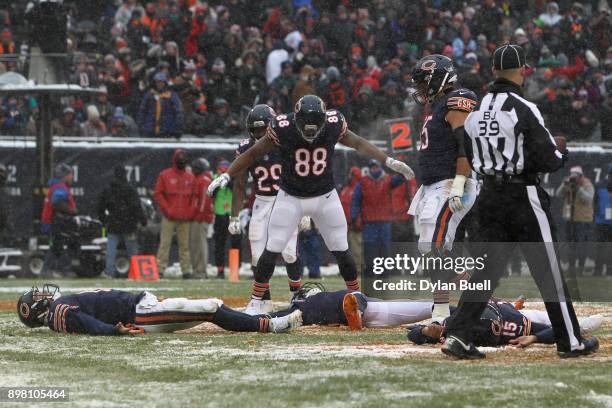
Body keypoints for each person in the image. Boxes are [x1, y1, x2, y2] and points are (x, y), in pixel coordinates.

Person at [443, 44, 598, 359]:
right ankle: (570, 341)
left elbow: (470, 152)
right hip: (522, 195)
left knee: (485, 272)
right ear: (522, 69)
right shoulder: (523, 107)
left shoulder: (476, 108)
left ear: (493, 71)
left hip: (489, 197)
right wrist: (561, 150)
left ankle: (458, 336)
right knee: (548, 270)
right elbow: (549, 158)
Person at [208, 95, 414, 306]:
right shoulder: (283, 126)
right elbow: (252, 154)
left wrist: (388, 160)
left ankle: (356, 298)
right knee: (272, 249)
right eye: (305, 127)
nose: (310, 132)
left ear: (324, 120)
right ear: (296, 119)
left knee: (341, 249)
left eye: (314, 127)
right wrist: (227, 175)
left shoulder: (333, 123)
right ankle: (256, 301)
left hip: (325, 196)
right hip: (291, 196)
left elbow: (358, 142)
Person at [407, 55, 479, 322]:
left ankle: (441, 311)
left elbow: (465, 142)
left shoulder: (458, 98)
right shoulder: (437, 104)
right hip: (435, 184)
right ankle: (468, 282)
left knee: (433, 244)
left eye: (424, 83)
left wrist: (460, 180)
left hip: (452, 183)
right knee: (435, 246)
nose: (421, 90)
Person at [230, 104, 306, 314]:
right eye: (256, 130)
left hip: (287, 199)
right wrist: (233, 217)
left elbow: (301, 175)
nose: (260, 134)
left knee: (290, 253)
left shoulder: (287, 143)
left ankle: (296, 296)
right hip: (262, 202)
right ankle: (263, 300)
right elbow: (239, 184)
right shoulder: (247, 148)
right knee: (257, 255)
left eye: (264, 129)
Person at [16, 284, 302, 335]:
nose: (45, 292)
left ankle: (273, 318)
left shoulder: (57, 308)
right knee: (210, 307)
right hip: (140, 315)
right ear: (40, 308)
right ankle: (272, 325)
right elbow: (83, 320)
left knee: (209, 308)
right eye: (39, 295)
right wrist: (112, 331)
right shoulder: (58, 312)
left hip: (141, 306)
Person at [408, 299, 602, 348]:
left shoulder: (453, 319)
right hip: (519, 317)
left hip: (507, 308)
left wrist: (425, 329)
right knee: (562, 324)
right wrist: (535, 337)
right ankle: (578, 327)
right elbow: (556, 332)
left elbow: (414, 333)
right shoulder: (515, 327)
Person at [351, 159, 404, 277]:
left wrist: (400, 167)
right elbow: (355, 200)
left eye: (376, 167)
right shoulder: (363, 182)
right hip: (369, 222)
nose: (374, 169)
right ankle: (370, 273)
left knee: (384, 249)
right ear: (369, 169)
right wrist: (354, 216)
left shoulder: (388, 180)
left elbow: (402, 178)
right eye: (372, 167)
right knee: (370, 249)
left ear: (380, 168)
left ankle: (384, 274)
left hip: (384, 222)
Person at [96, 166, 146, 278]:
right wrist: (143, 221)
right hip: (129, 224)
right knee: (132, 251)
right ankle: (135, 272)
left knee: (111, 251)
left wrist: (104, 220)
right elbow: (136, 207)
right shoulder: (130, 189)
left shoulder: (108, 189)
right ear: (125, 175)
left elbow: (100, 207)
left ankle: (109, 272)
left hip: (113, 223)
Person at [154, 149, 195, 278]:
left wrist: (189, 211)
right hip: (169, 217)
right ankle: (160, 269)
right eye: (180, 159)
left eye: (184, 159)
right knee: (165, 244)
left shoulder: (190, 177)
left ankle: (186, 271)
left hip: (184, 217)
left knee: (184, 246)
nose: (182, 161)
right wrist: (168, 209)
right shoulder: (165, 175)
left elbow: (194, 197)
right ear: (175, 160)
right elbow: (158, 194)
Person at [556, 166, 594, 277]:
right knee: (570, 245)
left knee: (581, 245)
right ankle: (571, 268)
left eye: (576, 176)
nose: (574, 179)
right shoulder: (568, 183)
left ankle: (581, 267)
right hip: (570, 219)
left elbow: (589, 199)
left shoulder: (587, 184)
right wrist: (564, 185)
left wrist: (579, 189)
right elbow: (558, 194)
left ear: (581, 176)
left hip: (582, 220)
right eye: (572, 175)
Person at [41, 164, 78, 278]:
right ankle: (59, 270)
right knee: (72, 245)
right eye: (70, 174)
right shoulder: (59, 187)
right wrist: (72, 211)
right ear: (65, 176)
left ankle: (53, 270)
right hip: (56, 223)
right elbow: (57, 203)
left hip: (52, 222)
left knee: (58, 246)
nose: (72, 177)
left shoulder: (55, 186)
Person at [211, 159, 238, 279]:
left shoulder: (235, 178)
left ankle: (235, 269)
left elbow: (238, 190)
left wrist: (230, 180)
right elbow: (211, 193)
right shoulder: (214, 178)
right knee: (219, 243)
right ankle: (220, 270)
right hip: (220, 213)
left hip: (233, 214)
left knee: (235, 242)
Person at [137, 71, 184, 138]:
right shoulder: (150, 94)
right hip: (150, 129)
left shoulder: (171, 95)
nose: (159, 84)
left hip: (167, 130)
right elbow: (142, 110)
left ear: (165, 83)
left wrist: (177, 128)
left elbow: (179, 111)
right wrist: (141, 124)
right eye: (157, 82)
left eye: (161, 82)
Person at [190, 158, 213, 278]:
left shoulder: (203, 180)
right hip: (200, 216)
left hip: (201, 217)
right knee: (197, 245)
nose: (193, 170)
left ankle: (200, 271)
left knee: (199, 245)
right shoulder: (202, 179)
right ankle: (199, 270)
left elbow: (204, 200)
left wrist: (199, 215)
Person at [339, 167, 363, 270]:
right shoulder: (345, 190)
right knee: (345, 250)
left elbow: (361, 208)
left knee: (357, 248)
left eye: (351, 174)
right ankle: (348, 268)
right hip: (344, 225)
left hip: (354, 225)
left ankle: (358, 268)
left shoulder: (359, 190)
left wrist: (357, 221)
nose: (349, 177)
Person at [593, 164, 612, 276]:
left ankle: (609, 270)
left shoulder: (600, 185)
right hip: (601, 222)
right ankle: (598, 269)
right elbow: (594, 202)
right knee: (600, 247)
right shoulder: (600, 185)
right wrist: (598, 213)